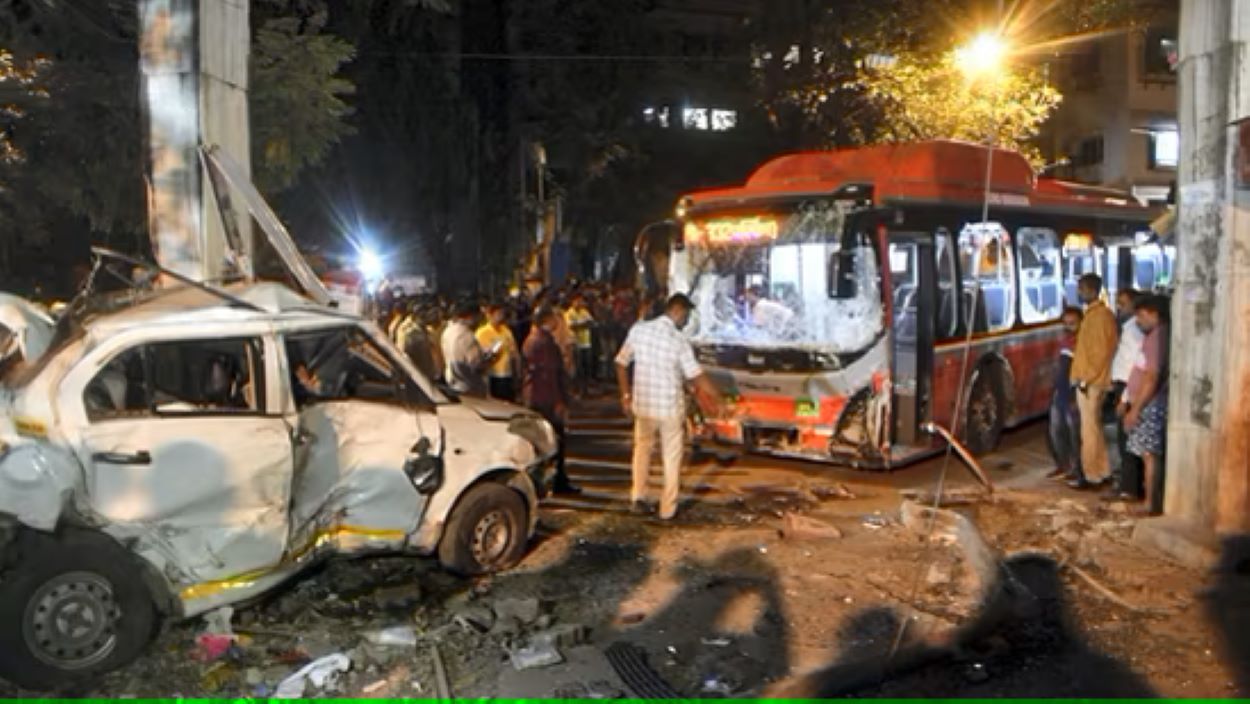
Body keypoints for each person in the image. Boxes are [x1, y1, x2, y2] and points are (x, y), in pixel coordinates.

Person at [615, 294, 724, 520]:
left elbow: (621, 362)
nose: (685, 321)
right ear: (678, 311)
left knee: (642, 450)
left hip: (643, 405)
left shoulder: (639, 330)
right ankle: (667, 509)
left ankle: (638, 498)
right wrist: (719, 398)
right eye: (686, 316)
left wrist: (625, 395)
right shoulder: (678, 340)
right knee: (671, 457)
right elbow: (696, 375)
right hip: (669, 408)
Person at [1068, 273, 1118, 490]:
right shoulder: (1100, 315)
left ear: (1090, 290)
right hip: (1095, 380)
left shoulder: (1098, 317)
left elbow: (1098, 354)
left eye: (1081, 290)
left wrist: (1084, 380)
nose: (1079, 294)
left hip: (1091, 382)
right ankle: (1103, 470)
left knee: (1088, 431)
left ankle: (1091, 475)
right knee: (1094, 429)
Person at [523, 306, 579, 495]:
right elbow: (550, 375)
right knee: (555, 441)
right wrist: (559, 401)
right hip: (547, 399)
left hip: (535, 397)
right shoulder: (545, 343)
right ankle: (556, 481)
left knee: (541, 441)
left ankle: (551, 480)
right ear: (547, 319)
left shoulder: (532, 340)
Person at [1121, 295, 1169, 516]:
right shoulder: (1155, 336)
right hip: (1145, 401)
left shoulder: (1158, 338)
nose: (1138, 320)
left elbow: (1151, 377)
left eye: (1141, 315)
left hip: (1150, 403)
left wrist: (1136, 408)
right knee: (1146, 454)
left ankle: (1150, 502)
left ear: (1154, 313)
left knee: (1149, 454)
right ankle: (1149, 499)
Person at [1107, 288, 1145, 500]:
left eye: (1123, 303)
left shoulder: (1135, 330)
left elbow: (1135, 367)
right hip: (1123, 386)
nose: (1119, 308)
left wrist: (1124, 398)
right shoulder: (1129, 327)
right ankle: (1129, 486)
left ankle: (1129, 488)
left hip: (1129, 388)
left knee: (1127, 439)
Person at [1047, 306, 1084, 481]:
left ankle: (1077, 469)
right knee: (1056, 430)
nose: (1069, 327)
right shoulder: (1064, 341)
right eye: (1066, 324)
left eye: (1073, 323)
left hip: (1073, 392)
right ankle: (1062, 465)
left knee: (1074, 433)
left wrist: (1074, 394)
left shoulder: (1083, 343)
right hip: (1059, 393)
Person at [440, 301, 494, 397]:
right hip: (469, 385)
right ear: (470, 316)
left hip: (453, 381)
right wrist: (489, 358)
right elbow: (476, 364)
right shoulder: (466, 335)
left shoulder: (447, 331)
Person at [475, 303, 520, 402]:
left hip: (508, 373)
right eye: (497, 313)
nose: (500, 316)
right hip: (494, 375)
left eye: (501, 313)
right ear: (489, 315)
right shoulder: (482, 333)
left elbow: (514, 351)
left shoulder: (506, 331)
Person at [565, 293, 596, 395]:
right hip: (576, 343)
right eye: (577, 301)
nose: (579, 303)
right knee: (578, 368)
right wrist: (583, 325)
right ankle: (577, 389)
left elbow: (592, 323)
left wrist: (580, 325)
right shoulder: (569, 313)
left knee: (587, 366)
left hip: (586, 343)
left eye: (581, 301)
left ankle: (585, 389)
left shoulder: (584, 312)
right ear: (572, 302)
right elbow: (571, 327)